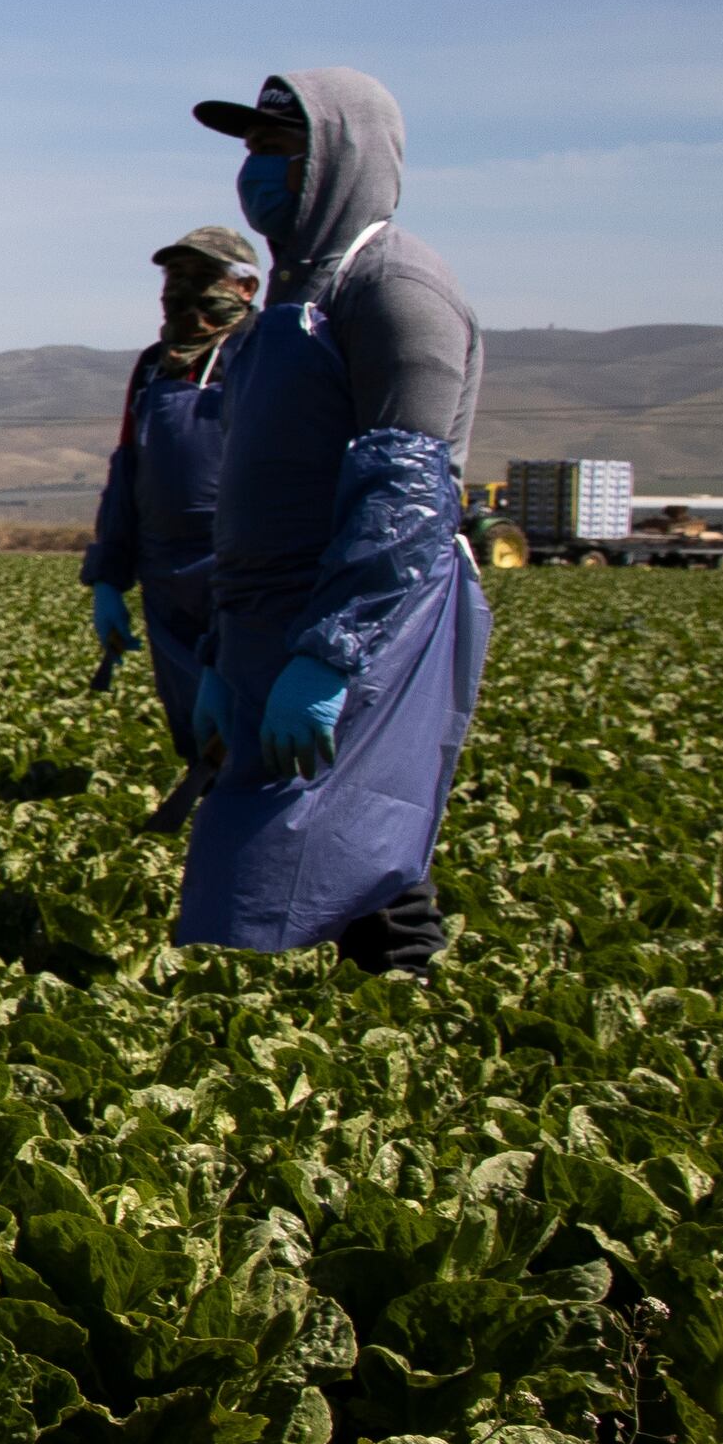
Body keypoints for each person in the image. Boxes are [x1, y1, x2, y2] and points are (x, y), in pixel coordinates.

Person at [178, 69, 480, 975]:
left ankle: (398, 1022)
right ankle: (369, 1017)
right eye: (253, 150)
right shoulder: (287, 299)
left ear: (344, 159)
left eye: (282, 149)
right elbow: (255, 492)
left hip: (361, 611)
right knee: (321, 839)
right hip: (270, 609)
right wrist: (222, 647)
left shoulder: (393, 286)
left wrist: (332, 652)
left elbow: (405, 491)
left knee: (340, 838)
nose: (258, 171)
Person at [86, 224, 259, 831]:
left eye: (202, 288)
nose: (185, 304)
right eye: (173, 288)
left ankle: (245, 832)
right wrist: (109, 577)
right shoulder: (154, 368)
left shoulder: (262, 356)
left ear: (245, 289)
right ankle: (208, 819)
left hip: (242, 569)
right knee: (191, 716)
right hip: (165, 575)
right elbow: (127, 469)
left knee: (248, 716)